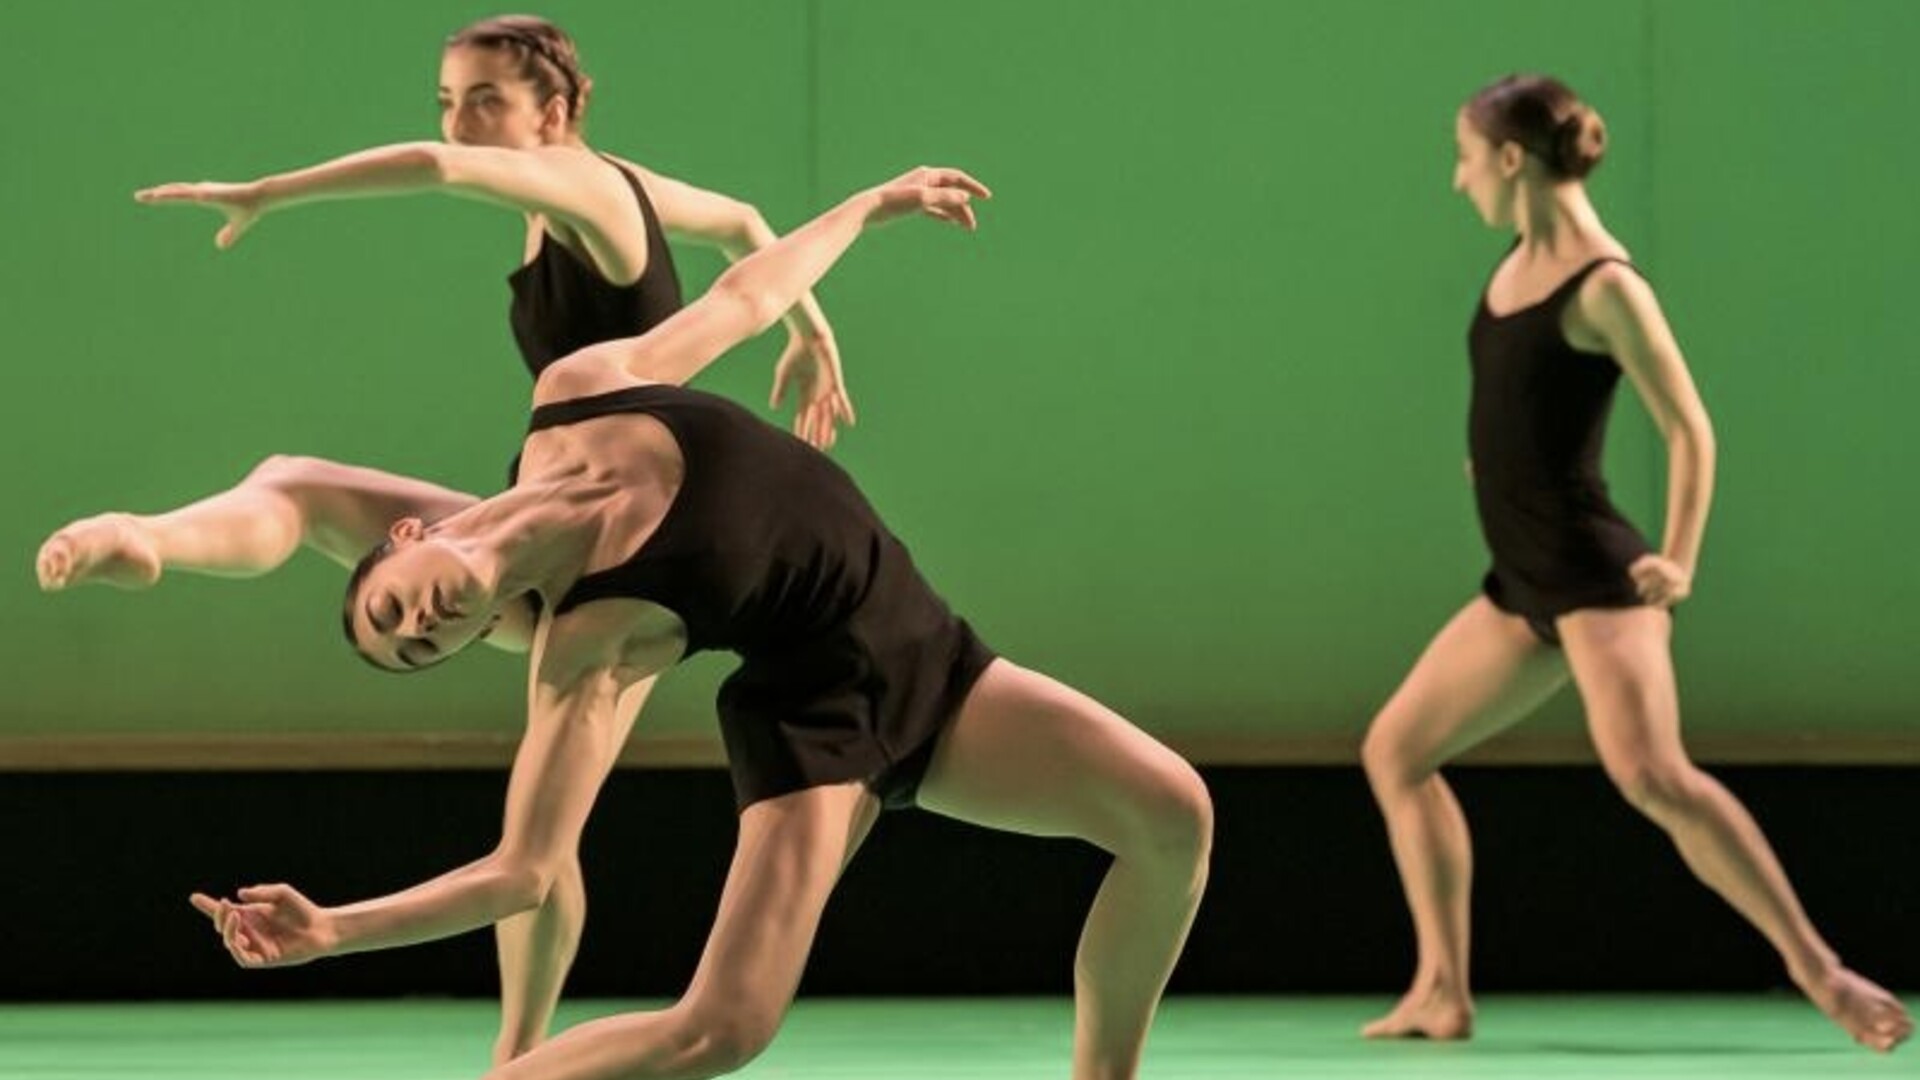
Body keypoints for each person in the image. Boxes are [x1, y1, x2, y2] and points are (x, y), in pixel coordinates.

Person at [186, 165, 1212, 1080]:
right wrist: (331, 931)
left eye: (394, 605)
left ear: (411, 534)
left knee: (1172, 817)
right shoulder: (591, 644)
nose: (424, 624)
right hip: (819, 720)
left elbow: (746, 293)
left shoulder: (576, 392)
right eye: (420, 649)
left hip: (928, 653)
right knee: (721, 1030)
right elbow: (522, 871)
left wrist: (872, 205)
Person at [46, 15, 847, 1064]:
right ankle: (145, 540)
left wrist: (269, 193)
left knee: (539, 845)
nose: (459, 124)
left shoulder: (587, 187)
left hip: (616, 555)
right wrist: (814, 333)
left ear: (553, 113)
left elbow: (432, 168)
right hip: (526, 528)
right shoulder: (592, 193)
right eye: (448, 100)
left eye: (483, 101)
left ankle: (516, 1052)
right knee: (297, 487)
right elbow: (743, 220)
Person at [1357, 74, 1911, 1053]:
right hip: (1520, 578)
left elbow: (1691, 429)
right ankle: (1442, 990)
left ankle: (1821, 972)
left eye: (1465, 157)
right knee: (1397, 752)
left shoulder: (1606, 286)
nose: (1459, 180)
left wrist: (1681, 560)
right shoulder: (1518, 260)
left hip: (1595, 577)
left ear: (1512, 161)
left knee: (1654, 775)